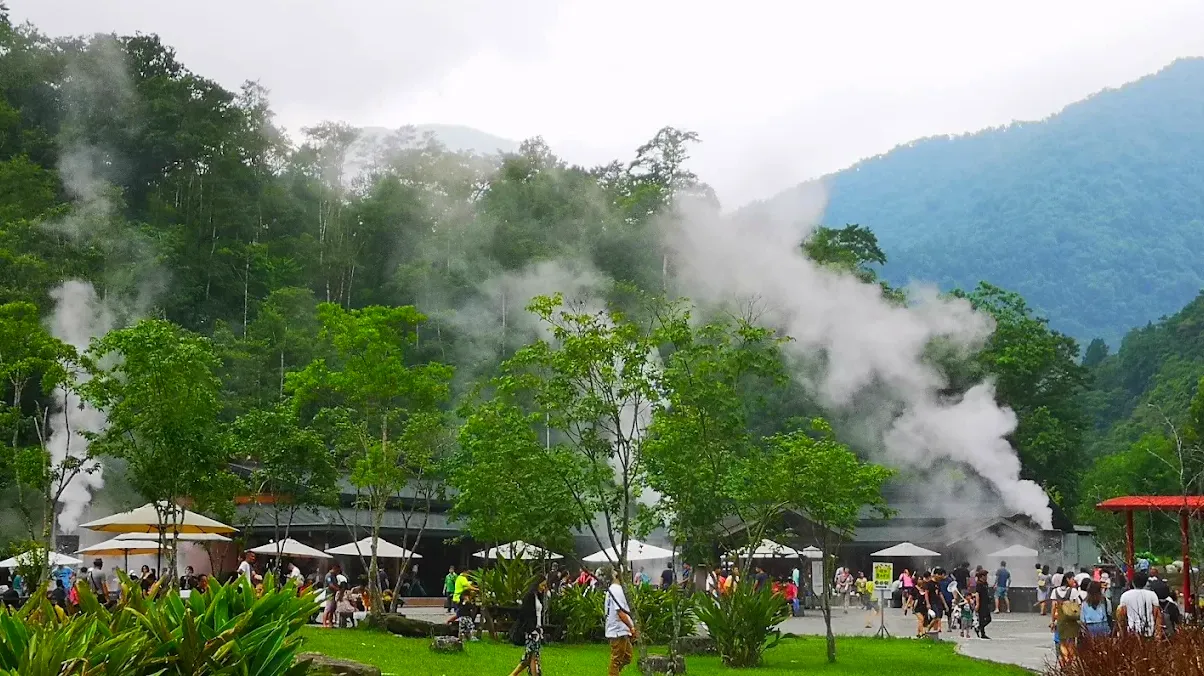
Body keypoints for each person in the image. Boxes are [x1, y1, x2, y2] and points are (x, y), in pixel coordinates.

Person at [509, 578, 549, 676]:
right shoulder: (530, 596)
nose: (543, 588)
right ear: (537, 584)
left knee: (530, 657)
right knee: (532, 656)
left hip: (537, 630)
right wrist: (531, 629)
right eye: (542, 585)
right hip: (531, 631)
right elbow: (526, 614)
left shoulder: (538, 597)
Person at [604, 568, 637, 676]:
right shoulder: (617, 590)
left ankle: (615, 673)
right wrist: (632, 627)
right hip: (617, 629)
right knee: (616, 659)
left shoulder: (614, 589)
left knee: (627, 656)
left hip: (620, 629)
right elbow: (620, 613)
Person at [1117, 571, 1161, 638]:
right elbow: (1155, 613)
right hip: (1149, 630)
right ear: (1146, 582)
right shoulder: (1152, 595)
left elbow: (1122, 615)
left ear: (1133, 582)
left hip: (1132, 631)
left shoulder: (1125, 595)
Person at [972, 568, 992, 639]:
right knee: (982, 618)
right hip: (981, 603)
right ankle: (982, 632)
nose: (986, 577)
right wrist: (977, 604)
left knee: (988, 619)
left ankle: (979, 628)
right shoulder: (979, 584)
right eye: (985, 575)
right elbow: (977, 594)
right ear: (981, 576)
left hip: (986, 603)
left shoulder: (985, 583)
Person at [323, 563, 343, 628]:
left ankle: (330, 623)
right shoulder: (328, 576)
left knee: (332, 609)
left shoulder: (334, 576)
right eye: (337, 570)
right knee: (328, 609)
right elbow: (330, 585)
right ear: (334, 568)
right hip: (329, 594)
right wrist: (337, 589)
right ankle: (324, 623)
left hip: (334, 594)